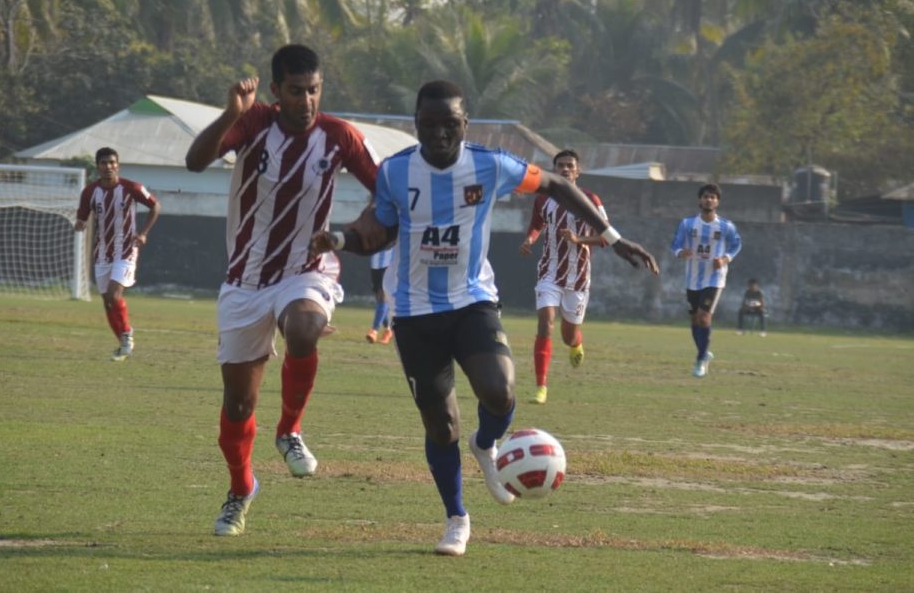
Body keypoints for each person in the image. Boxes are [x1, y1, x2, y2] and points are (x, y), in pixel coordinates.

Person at [309, 80, 659, 556]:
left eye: (449, 124)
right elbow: (379, 229)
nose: (439, 134)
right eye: (428, 125)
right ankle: (456, 518)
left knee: (500, 391)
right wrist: (341, 240)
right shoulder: (394, 172)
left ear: (465, 124)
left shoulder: (489, 164)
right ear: (417, 124)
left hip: (472, 299)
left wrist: (613, 238)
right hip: (414, 311)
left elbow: (556, 183)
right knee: (440, 426)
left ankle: (487, 442)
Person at [184, 44, 380, 537]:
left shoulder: (339, 137)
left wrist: (351, 233)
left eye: (314, 90)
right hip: (245, 282)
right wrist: (231, 112)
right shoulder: (254, 124)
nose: (307, 100)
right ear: (276, 91)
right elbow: (194, 161)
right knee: (238, 406)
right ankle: (240, 489)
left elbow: (387, 192)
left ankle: (290, 429)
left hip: (306, 270)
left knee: (306, 327)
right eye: (296, 91)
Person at [519, 149, 608, 405]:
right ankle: (541, 386)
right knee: (545, 321)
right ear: (554, 170)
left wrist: (580, 239)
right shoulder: (543, 199)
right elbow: (537, 224)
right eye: (561, 165)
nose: (565, 169)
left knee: (568, 334)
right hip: (549, 273)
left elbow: (607, 237)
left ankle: (576, 344)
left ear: (578, 171)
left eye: (570, 165)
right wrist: (529, 239)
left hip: (578, 278)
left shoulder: (591, 199)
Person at [74, 147, 161, 362]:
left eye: (112, 162)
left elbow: (155, 206)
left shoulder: (132, 187)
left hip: (126, 250)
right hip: (102, 252)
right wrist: (80, 224)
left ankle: (127, 335)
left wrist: (142, 233)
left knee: (114, 295)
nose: (108, 167)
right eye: (104, 163)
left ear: (118, 165)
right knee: (107, 302)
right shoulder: (90, 192)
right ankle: (123, 343)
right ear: (98, 166)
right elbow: (82, 217)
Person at [671, 183, 742, 378]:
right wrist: (680, 252)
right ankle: (703, 351)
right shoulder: (687, 224)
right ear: (699, 200)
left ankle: (701, 359)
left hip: (714, 278)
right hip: (692, 278)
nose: (709, 200)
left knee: (704, 316)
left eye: (712, 197)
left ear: (717, 201)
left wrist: (725, 258)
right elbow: (675, 244)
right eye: (705, 196)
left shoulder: (726, 226)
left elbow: (736, 244)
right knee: (695, 318)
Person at [365, 247, 394, 344]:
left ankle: (374, 330)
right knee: (379, 299)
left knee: (383, 295)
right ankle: (388, 330)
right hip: (375, 264)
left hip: (390, 262)